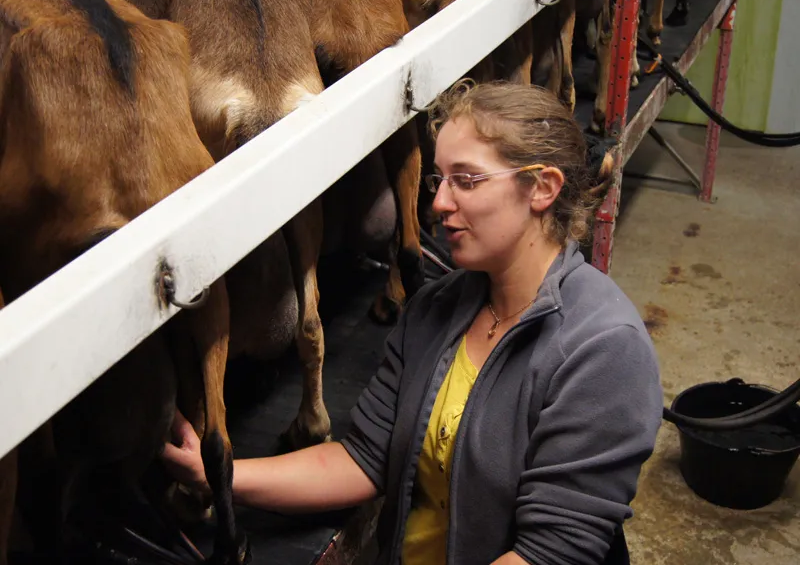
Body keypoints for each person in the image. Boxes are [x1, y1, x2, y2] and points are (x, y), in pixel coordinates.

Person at [160, 80, 664, 565]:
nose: (440, 202)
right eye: (438, 179)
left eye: (465, 180)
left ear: (541, 188)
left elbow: (552, 552)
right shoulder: (435, 309)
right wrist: (216, 473)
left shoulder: (601, 348)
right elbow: (362, 460)